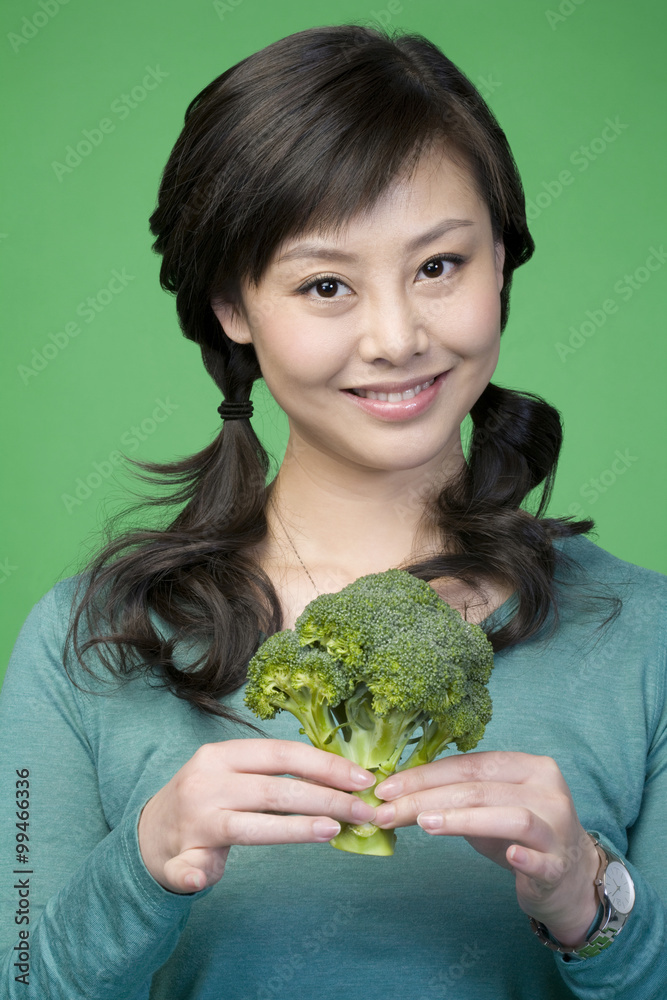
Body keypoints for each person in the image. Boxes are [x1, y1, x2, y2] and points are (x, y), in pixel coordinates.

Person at [1, 22, 665, 1000]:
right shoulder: (82, 641)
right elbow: (18, 970)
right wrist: (140, 865)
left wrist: (588, 893)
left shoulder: (643, 636)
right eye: (325, 285)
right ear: (233, 303)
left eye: (439, 265)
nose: (396, 337)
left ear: (500, 265)